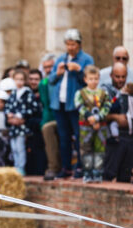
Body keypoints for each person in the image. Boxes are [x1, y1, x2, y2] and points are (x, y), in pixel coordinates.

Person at [48, 29, 94, 179]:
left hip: (76, 105)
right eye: (68, 44)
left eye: (73, 44)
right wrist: (58, 72)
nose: (70, 47)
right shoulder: (61, 58)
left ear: (79, 44)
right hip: (60, 104)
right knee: (64, 137)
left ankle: (80, 167)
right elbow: (51, 80)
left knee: (79, 136)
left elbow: (90, 81)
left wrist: (79, 71)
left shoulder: (86, 59)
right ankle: (66, 167)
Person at [75, 65, 111, 183]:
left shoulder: (103, 93)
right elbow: (79, 106)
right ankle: (87, 173)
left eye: (95, 78)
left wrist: (98, 118)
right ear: (85, 79)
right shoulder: (80, 93)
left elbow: (107, 106)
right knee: (86, 149)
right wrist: (89, 117)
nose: (93, 81)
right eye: (91, 79)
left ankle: (97, 173)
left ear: (99, 79)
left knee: (100, 149)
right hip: (85, 126)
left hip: (101, 126)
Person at [5, 70, 39, 175]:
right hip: (13, 127)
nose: (19, 82)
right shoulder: (13, 93)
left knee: (20, 148)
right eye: (17, 79)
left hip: (22, 127)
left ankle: (21, 168)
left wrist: (20, 116)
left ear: (25, 81)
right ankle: (16, 167)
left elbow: (33, 108)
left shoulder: (27, 92)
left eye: (21, 79)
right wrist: (9, 115)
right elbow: (8, 106)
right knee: (14, 148)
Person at [39, 54, 61, 180]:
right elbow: (46, 103)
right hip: (50, 116)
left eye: (51, 66)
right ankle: (53, 167)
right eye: (46, 67)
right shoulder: (44, 82)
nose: (48, 69)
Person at [26, 69, 47, 175]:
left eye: (36, 79)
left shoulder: (44, 95)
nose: (33, 82)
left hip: (39, 133)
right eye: (31, 79)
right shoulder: (24, 94)